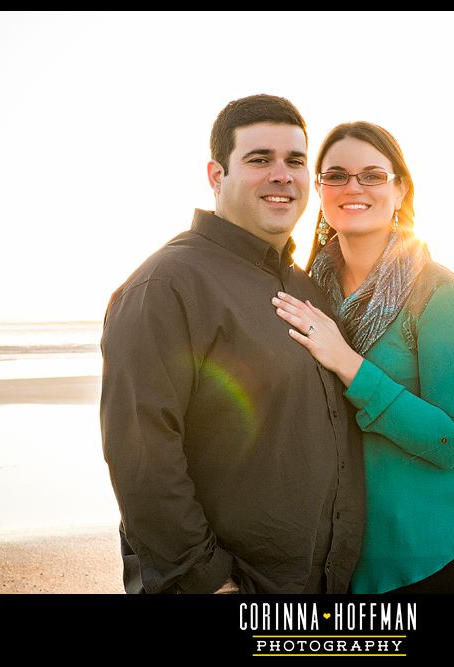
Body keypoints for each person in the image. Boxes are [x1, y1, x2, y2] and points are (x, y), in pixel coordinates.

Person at [100, 95, 365, 594]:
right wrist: (208, 581)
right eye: (259, 159)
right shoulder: (165, 285)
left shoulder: (305, 288)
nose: (282, 175)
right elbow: (142, 455)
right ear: (216, 175)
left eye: (295, 161)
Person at [271, 121, 454, 593]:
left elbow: (450, 441)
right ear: (319, 189)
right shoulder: (309, 293)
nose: (352, 187)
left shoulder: (438, 292)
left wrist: (347, 362)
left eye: (372, 175)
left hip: (438, 557)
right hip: (347, 564)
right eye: (335, 175)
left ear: (399, 190)